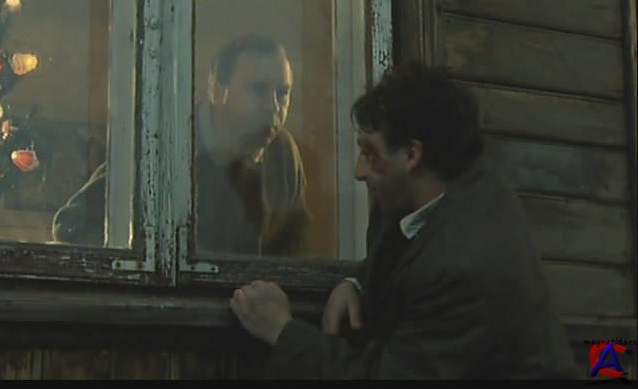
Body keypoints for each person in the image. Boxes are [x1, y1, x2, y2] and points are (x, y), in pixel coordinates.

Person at [229, 62, 579, 379]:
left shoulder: (463, 264)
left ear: (411, 155)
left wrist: (283, 332)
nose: (358, 171)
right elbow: (404, 246)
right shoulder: (427, 193)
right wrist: (357, 282)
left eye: (369, 152)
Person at [52, 34, 309, 256]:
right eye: (258, 89)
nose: (273, 107)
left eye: (283, 93)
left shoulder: (284, 153)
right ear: (217, 91)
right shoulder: (165, 143)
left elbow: (293, 246)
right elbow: (71, 224)